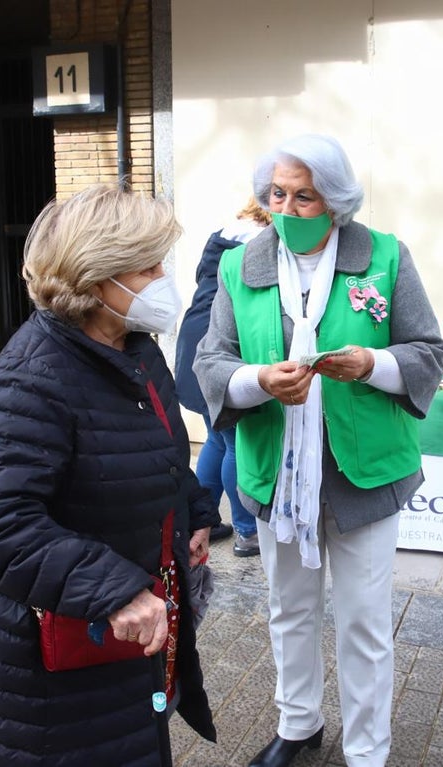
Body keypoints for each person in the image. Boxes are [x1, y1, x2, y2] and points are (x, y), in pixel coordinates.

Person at [194, 134, 443, 767]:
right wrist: (257, 382)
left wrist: (372, 363)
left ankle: (367, 751)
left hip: (364, 477)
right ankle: (299, 725)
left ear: (335, 201)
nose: (288, 208)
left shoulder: (386, 258)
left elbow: (428, 352)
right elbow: (211, 360)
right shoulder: (240, 266)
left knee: (363, 625)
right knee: (290, 611)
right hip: (275, 475)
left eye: (304, 196)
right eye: (278, 194)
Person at [0, 185, 218, 766]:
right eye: (149, 267)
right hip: (45, 676)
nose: (166, 278)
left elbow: (158, 445)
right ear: (98, 280)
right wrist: (113, 590)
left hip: (115, 650)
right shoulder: (32, 378)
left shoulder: (133, 348)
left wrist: (192, 509)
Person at [174, 197, 270, 557]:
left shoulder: (221, 236)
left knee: (216, 438)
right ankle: (247, 532)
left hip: (194, 338)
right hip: (222, 342)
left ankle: (203, 522)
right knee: (236, 444)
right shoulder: (260, 245)